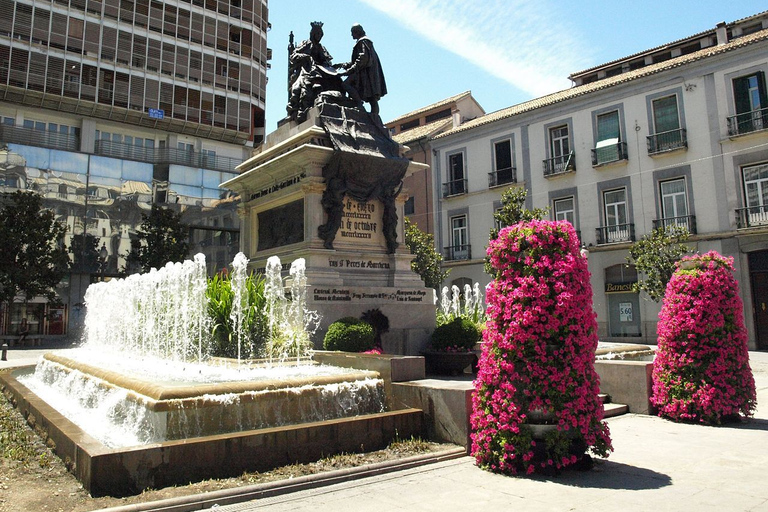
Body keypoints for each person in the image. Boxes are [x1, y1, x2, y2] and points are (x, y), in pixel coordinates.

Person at [285, 21, 338, 122]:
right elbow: (293, 56)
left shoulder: (322, 48)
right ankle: (299, 110)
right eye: (317, 33)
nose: (318, 36)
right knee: (301, 87)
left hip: (321, 72)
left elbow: (327, 61)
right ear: (313, 33)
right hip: (306, 70)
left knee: (336, 80)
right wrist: (306, 57)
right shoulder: (305, 43)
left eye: (320, 34)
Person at [337, 24, 387, 116]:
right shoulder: (365, 42)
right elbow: (358, 60)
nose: (352, 35)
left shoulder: (363, 41)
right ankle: (374, 116)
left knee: (346, 84)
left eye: (352, 33)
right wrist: (343, 65)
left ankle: (359, 105)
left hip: (365, 74)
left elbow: (363, 58)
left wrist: (349, 71)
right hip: (366, 73)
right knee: (372, 98)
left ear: (357, 32)